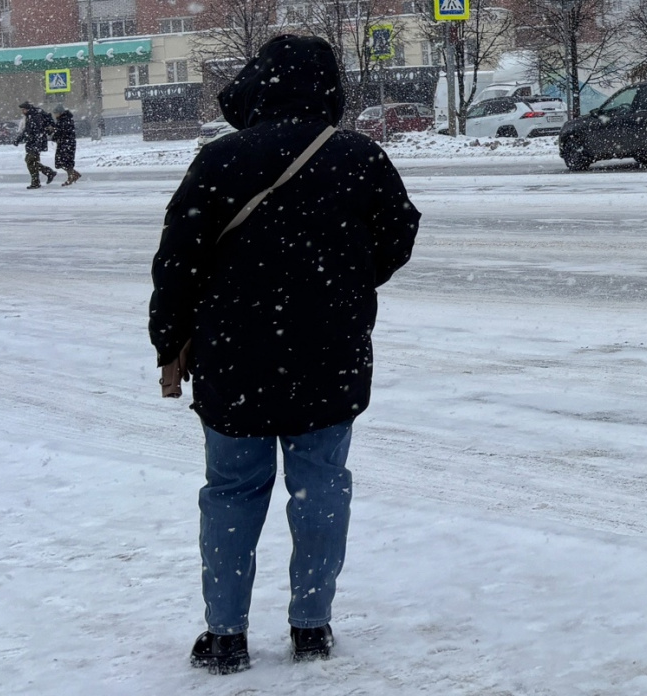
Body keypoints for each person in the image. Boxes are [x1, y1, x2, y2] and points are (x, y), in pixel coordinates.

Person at [148, 34, 419, 674]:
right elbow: (400, 235)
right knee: (321, 487)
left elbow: (177, 261)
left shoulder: (220, 160)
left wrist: (169, 341)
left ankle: (224, 635)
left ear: (258, 82)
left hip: (234, 355)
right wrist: (343, 284)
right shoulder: (358, 155)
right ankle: (312, 626)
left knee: (233, 490)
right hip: (331, 351)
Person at [13, 101, 55, 189]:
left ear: (27, 109)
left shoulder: (34, 117)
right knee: (32, 162)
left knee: (30, 161)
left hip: (36, 143)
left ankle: (37, 181)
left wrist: (19, 139)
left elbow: (33, 131)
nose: (22, 112)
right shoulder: (32, 115)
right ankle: (47, 173)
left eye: (23, 110)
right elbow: (28, 131)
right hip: (34, 142)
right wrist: (19, 139)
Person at [50, 106, 81, 186]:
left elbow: (62, 131)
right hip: (64, 143)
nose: (55, 115)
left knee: (66, 161)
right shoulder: (63, 120)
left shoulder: (65, 120)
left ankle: (71, 177)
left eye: (56, 113)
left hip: (67, 143)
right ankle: (74, 174)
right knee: (61, 162)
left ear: (60, 113)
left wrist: (54, 132)